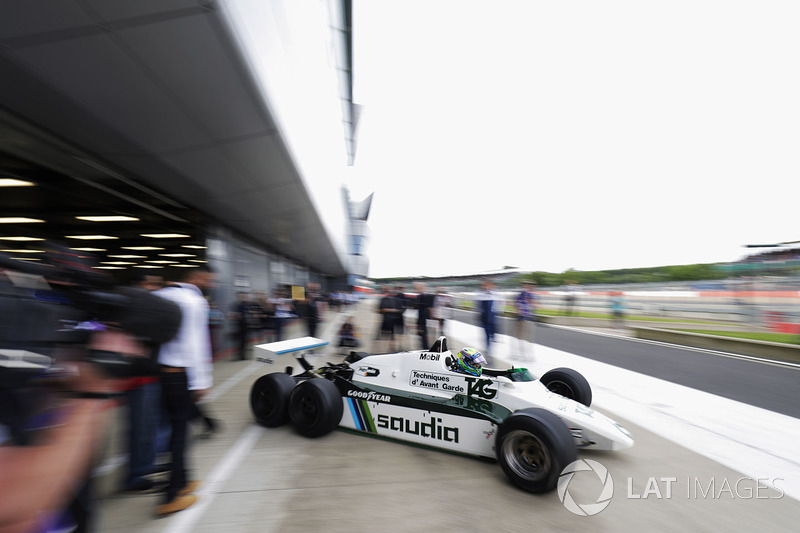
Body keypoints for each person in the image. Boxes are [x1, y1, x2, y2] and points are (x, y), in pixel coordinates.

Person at [154, 266, 215, 517]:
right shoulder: (195, 301)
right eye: (208, 280)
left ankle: (184, 478)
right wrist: (201, 381)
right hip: (181, 375)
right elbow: (196, 343)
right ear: (196, 278)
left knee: (175, 429)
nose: (209, 284)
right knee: (180, 434)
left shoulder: (161, 295)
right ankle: (172, 494)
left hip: (161, 372)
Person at [120, 272, 164, 494]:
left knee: (149, 426)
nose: (153, 288)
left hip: (150, 376)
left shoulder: (148, 309)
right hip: (140, 378)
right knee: (141, 429)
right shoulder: (133, 311)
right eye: (150, 284)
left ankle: (144, 466)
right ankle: (136, 476)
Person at [513, 281, 537, 358]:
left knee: (528, 337)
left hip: (528, 317)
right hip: (522, 318)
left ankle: (527, 353)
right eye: (525, 285)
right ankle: (522, 353)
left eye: (528, 285)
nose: (527, 287)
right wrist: (518, 310)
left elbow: (533, 304)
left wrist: (532, 306)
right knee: (521, 336)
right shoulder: (520, 295)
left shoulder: (530, 295)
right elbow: (516, 304)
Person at [477, 281, 500, 355]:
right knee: (486, 334)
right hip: (485, 317)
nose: (486, 287)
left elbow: (497, 305)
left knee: (492, 331)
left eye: (487, 285)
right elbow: (479, 307)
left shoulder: (494, 294)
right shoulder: (481, 295)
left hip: (492, 317)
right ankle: (488, 347)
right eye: (484, 285)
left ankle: (492, 338)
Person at [414, 282, 435, 350]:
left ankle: (427, 347)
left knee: (428, 334)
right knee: (422, 334)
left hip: (427, 318)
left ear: (423, 287)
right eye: (417, 288)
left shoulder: (429, 296)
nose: (417, 289)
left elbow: (431, 308)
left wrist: (431, 319)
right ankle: (424, 347)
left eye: (419, 287)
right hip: (421, 318)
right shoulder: (418, 296)